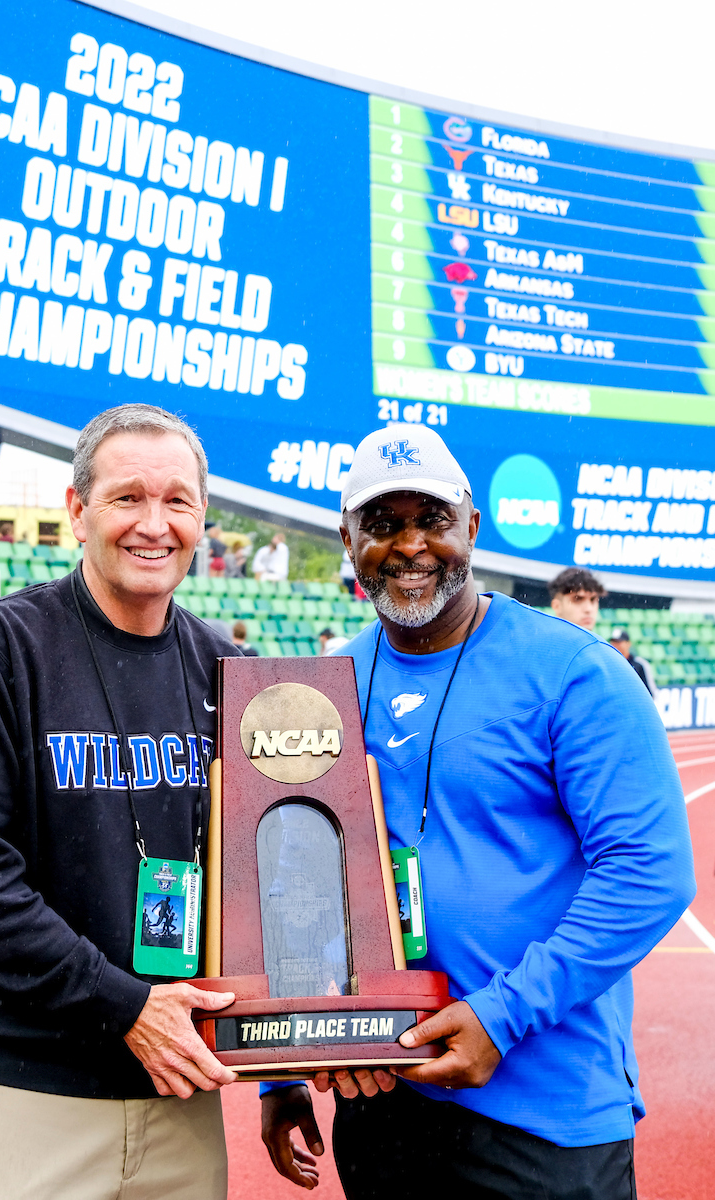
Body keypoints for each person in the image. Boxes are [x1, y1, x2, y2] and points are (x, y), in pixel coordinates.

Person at [261, 424, 694, 1199]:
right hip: (383, 1094)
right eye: (383, 524)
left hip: (544, 1114)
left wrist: (504, 1015)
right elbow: (298, 870)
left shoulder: (576, 673)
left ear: (472, 527)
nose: (411, 546)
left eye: (432, 519)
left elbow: (650, 872)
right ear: (347, 539)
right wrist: (282, 1069)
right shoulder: (321, 685)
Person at [0, 404, 238, 1200]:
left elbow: (257, 881)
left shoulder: (230, 670)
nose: (153, 524)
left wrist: (281, 1068)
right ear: (78, 509)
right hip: (18, 1089)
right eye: (127, 497)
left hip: (177, 1099)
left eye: (177, 501)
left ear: (202, 518)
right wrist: (122, 1005)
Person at [548, 566, 606, 632]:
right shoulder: (542, 641)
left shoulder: (603, 642)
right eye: (577, 599)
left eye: (593, 600)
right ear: (557, 606)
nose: (588, 609)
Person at [609, 626, 656, 694]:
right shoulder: (608, 664)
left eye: (619, 642)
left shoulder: (639, 664)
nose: (615, 645)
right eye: (613, 642)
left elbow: (650, 691)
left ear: (628, 643)